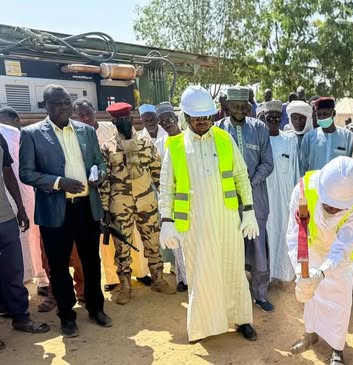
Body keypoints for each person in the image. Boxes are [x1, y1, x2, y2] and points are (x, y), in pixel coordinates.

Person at [159, 85, 259, 342]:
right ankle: (204, 327)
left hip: (226, 218)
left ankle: (241, 320)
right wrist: (167, 221)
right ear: (187, 118)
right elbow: (167, 186)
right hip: (194, 222)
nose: (202, 122)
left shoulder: (225, 140)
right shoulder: (176, 146)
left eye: (206, 117)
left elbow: (240, 176)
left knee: (232, 270)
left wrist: (248, 211)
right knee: (200, 274)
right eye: (197, 118)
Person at [19, 84, 112, 337]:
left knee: (92, 262)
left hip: (85, 208)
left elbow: (99, 162)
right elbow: (26, 173)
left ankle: (96, 308)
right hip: (55, 210)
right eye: (55, 103)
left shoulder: (85, 131)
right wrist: (59, 183)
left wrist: (99, 175)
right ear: (45, 106)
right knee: (59, 266)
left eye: (65, 103)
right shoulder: (32, 134)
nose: (62, 108)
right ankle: (67, 316)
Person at [287, 156, 353, 365]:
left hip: (340, 259)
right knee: (311, 297)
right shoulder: (303, 190)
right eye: (328, 204)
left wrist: (321, 273)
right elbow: (294, 236)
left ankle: (337, 349)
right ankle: (309, 334)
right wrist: (299, 273)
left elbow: (342, 247)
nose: (332, 210)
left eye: (337, 208)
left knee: (338, 302)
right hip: (311, 248)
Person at [73, 98, 152, 292]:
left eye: (88, 112)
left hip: (123, 189)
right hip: (95, 190)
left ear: (94, 110)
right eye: (80, 114)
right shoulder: (75, 134)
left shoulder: (111, 128)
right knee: (107, 236)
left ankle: (141, 272)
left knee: (134, 233)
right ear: (75, 116)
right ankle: (113, 277)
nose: (85, 117)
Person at [100, 102, 175, 304]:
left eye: (125, 119)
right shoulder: (107, 148)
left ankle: (158, 279)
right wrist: (105, 209)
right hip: (120, 205)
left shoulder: (145, 144)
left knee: (152, 241)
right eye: (117, 121)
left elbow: (158, 173)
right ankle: (125, 286)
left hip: (147, 203)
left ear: (131, 119)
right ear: (113, 122)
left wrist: (166, 201)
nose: (122, 123)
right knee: (122, 247)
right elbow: (104, 181)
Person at [217, 86, 275, 312]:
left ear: (249, 106)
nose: (240, 110)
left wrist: (248, 183)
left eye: (244, 106)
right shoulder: (218, 130)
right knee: (231, 247)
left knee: (258, 247)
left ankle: (260, 295)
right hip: (228, 200)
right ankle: (235, 298)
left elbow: (268, 163)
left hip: (256, 197)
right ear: (227, 106)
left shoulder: (259, 128)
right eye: (235, 106)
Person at [0, 131, 50, 347]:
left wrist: (20, 208)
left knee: (13, 271)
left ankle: (21, 317)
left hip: (5, 217)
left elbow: (7, 172)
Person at [264, 100, 300, 282]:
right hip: (266, 197)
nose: (273, 121)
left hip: (285, 198)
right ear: (264, 118)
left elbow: (295, 170)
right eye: (270, 118)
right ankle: (268, 276)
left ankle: (284, 274)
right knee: (268, 234)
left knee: (285, 233)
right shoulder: (260, 139)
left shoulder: (290, 139)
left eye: (277, 118)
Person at [155, 102, 187, 291]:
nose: (167, 123)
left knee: (190, 242)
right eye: (163, 121)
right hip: (169, 199)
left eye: (170, 119)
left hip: (188, 199)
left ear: (176, 119)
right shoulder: (160, 144)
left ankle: (192, 279)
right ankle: (182, 279)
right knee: (176, 243)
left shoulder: (187, 139)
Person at [299, 97, 353, 176]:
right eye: (319, 115)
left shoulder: (347, 136)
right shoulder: (309, 138)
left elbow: (352, 165)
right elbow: (302, 166)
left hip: (339, 185)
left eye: (325, 114)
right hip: (315, 185)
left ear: (334, 113)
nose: (322, 118)